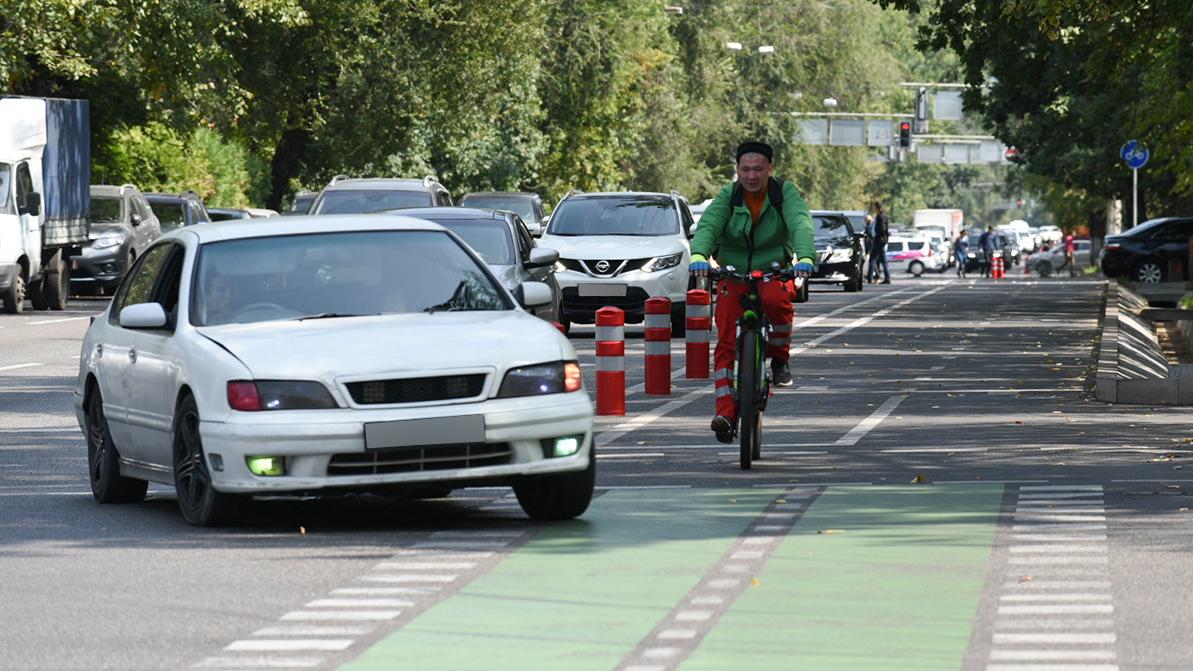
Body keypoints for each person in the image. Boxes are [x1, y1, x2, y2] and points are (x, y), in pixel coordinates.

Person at [689, 141, 816, 443]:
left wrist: (806, 257)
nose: (751, 175)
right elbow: (709, 225)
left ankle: (779, 357)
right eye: (745, 169)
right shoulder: (728, 196)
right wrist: (699, 255)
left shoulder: (783, 193)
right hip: (733, 272)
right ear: (738, 171)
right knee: (724, 343)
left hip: (773, 269)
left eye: (758, 169)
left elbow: (800, 223)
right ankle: (725, 414)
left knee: (777, 301)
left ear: (770, 170)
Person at [866, 201, 890, 284]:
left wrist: (879, 236)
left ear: (877, 208)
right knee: (883, 260)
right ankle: (887, 278)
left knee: (872, 259)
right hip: (881, 240)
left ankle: (870, 277)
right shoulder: (882, 216)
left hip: (879, 240)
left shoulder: (881, 216)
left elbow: (882, 229)